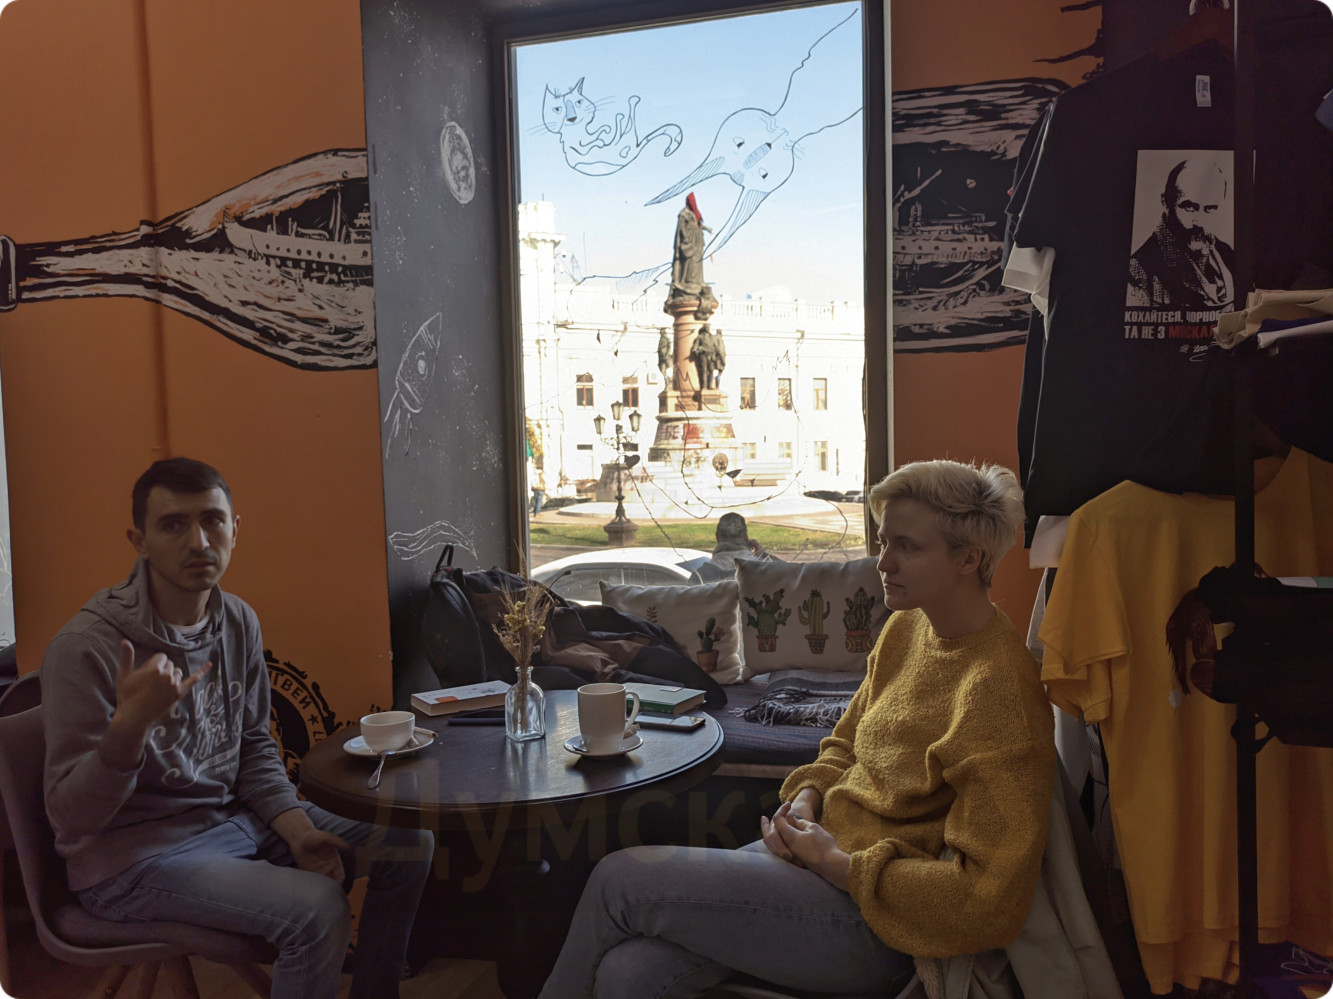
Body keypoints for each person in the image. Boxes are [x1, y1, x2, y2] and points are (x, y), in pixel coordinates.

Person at [538, 459, 1056, 999]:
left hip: (875, 921)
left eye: (907, 546)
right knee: (629, 972)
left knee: (620, 879)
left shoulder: (998, 690)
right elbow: (846, 743)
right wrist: (807, 798)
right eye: (885, 542)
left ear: (968, 559)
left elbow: (988, 902)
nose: (884, 562)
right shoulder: (907, 627)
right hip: (812, 860)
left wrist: (837, 864)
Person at [42, 457, 434, 999]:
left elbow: (252, 747)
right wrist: (127, 731)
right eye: (173, 525)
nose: (198, 541)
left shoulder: (237, 621)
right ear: (140, 541)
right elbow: (70, 820)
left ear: (235, 529)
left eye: (212, 521)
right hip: (131, 861)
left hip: (232, 823)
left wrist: (297, 831)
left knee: (407, 841)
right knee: (316, 910)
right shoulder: (85, 648)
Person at [1126, 157, 1235, 309]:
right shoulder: (1139, 270)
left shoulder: (1227, 255)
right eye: (1189, 207)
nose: (1199, 222)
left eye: (1210, 208)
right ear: (1165, 202)